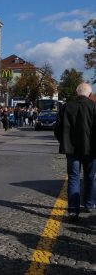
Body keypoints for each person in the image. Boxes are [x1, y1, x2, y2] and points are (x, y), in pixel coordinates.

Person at [54, 83, 96, 222]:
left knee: (73, 178)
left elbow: (58, 129)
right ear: (90, 94)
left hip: (71, 149)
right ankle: (89, 204)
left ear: (76, 93)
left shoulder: (66, 107)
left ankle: (73, 211)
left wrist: (64, 142)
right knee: (90, 177)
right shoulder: (94, 106)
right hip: (91, 149)